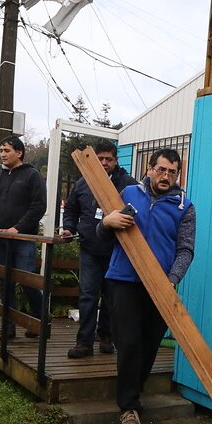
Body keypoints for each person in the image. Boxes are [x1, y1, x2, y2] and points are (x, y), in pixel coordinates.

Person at [99, 148, 196, 424]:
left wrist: (172, 278)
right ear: (150, 168)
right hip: (123, 280)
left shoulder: (184, 207)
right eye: (161, 170)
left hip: (160, 286)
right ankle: (129, 407)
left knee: (149, 344)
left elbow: (186, 249)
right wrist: (107, 222)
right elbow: (99, 233)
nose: (166, 176)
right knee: (128, 343)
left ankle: (133, 391)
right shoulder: (126, 194)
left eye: (172, 172)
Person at [61, 140, 136, 358]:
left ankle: (106, 337)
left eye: (108, 159)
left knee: (112, 297)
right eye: (100, 158)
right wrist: (68, 228)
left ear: (116, 160)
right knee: (87, 296)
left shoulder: (128, 185)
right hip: (90, 249)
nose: (104, 163)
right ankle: (84, 342)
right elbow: (71, 210)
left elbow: (137, 213)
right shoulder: (83, 183)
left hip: (117, 251)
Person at [0, 136, 46, 340]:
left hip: (23, 238)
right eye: (1, 150)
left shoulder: (32, 175)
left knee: (26, 279)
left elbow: (39, 205)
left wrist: (18, 228)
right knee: (4, 280)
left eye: (7, 150)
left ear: (19, 152)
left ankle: (40, 319)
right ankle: (8, 326)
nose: (3, 154)